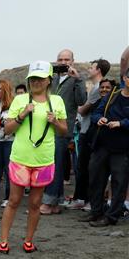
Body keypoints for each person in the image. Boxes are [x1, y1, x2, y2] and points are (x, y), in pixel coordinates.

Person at [0, 61, 67, 253]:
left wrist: (55, 122)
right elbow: (8, 129)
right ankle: (3, 240)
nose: (36, 82)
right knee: (14, 200)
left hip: (43, 160)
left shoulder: (57, 101)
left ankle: (28, 241)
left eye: (40, 78)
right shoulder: (20, 100)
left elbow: (64, 131)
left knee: (35, 203)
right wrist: (22, 115)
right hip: (20, 158)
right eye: (33, 78)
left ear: (49, 80)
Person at [80, 68, 129, 226]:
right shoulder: (112, 96)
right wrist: (99, 118)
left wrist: (121, 123)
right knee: (95, 178)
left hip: (122, 149)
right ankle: (96, 212)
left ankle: (111, 216)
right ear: (124, 78)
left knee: (119, 182)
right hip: (102, 145)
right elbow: (96, 113)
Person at [39, 49, 86, 215]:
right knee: (52, 165)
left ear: (72, 61)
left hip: (62, 128)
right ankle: (56, 203)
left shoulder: (77, 80)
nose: (63, 62)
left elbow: (82, 101)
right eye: (60, 59)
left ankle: (48, 201)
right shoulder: (53, 78)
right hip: (46, 128)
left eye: (67, 59)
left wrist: (78, 79)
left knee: (55, 166)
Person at [69, 58, 111, 210]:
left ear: (98, 69)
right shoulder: (95, 87)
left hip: (89, 131)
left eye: (92, 67)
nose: (89, 69)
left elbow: (82, 109)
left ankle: (86, 200)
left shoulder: (98, 88)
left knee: (86, 167)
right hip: (86, 130)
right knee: (83, 166)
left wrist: (75, 104)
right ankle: (82, 198)